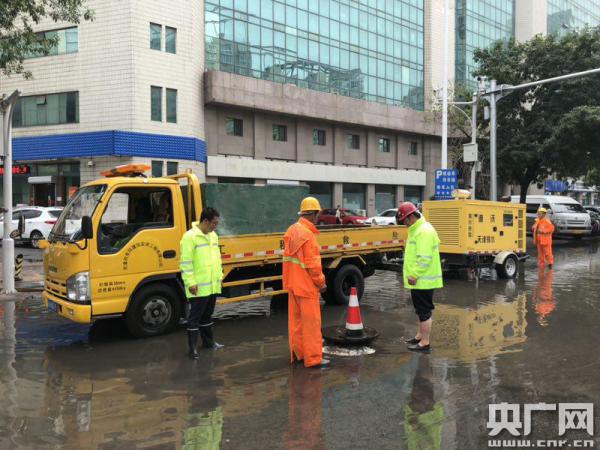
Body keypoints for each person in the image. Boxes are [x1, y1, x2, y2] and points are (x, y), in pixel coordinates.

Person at [283, 196, 329, 368]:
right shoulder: (308, 235)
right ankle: (314, 359)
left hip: (293, 285)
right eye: (317, 214)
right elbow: (313, 265)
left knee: (296, 323)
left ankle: (299, 355)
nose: (318, 218)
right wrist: (321, 284)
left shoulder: (291, 230)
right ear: (313, 214)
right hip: (307, 286)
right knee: (311, 324)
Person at [397, 202, 443, 353]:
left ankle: (425, 343)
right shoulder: (417, 229)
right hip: (419, 280)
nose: (404, 224)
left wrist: (414, 274)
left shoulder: (423, 231)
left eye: (404, 220)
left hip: (423, 280)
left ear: (410, 217)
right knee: (420, 310)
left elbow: (424, 258)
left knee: (424, 312)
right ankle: (419, 336)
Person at [180, 207, 224, 359]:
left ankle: (209, 343)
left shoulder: (213, 236)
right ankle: (192, 349)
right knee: (195, 318)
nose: (215, 226)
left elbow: (217, 259)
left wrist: (220, 277)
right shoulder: (190, 237)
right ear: (205, 221)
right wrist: (190, 282)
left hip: (212, 285)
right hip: (198, 287)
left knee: (207, 315)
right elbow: (185, 263)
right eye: (214, 223)